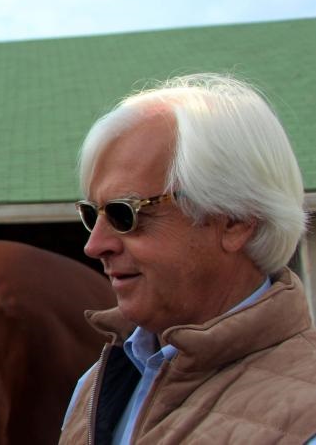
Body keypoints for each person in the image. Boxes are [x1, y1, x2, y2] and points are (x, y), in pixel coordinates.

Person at [60, 74, 316, 444]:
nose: (94, 245)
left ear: (235, 220)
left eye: (124, 213)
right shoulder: (96, 384)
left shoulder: (304, 419)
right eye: (91, 214)